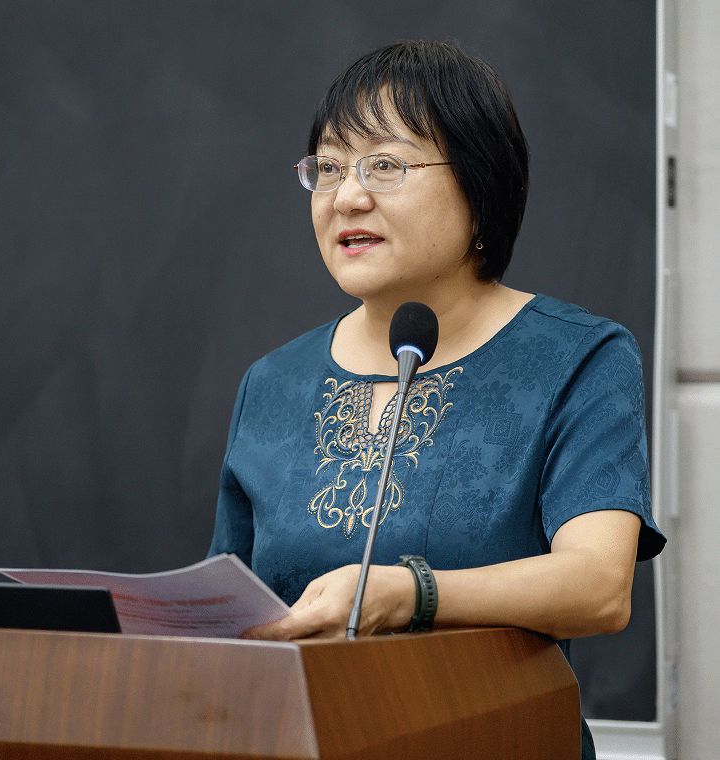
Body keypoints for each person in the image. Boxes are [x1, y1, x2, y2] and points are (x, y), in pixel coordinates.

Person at [205, 40, 665, 760]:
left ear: (480, 187)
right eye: (328, 168)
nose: (347, 196)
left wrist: (409, 594)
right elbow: (225, 609)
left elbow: (599, 587)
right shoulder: (274, 381)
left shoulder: (578, 356)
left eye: (385, 166)